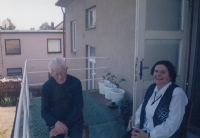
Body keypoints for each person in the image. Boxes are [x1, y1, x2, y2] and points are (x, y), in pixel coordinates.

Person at [123, 60, 188, 138]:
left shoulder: (177, 93)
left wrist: (147, 135)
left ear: (170, 76)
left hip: (163, 135)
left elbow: (172, 124)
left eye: (163, 72)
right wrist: (137, 127)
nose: (158, 74)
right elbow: (142, 108)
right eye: (156, 71)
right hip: (144, 130)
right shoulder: (152, 87)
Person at [41, 58, 84, 138]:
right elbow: (44, 112)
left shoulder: (76, 82)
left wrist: (63, 125)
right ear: (51, 74)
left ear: (66, 70)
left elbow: (78, 107)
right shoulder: (46, 87)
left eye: (62, 72)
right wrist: (56, 123)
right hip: (55, 121)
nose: (60, 77)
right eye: (56, 74)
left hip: (74, 120)